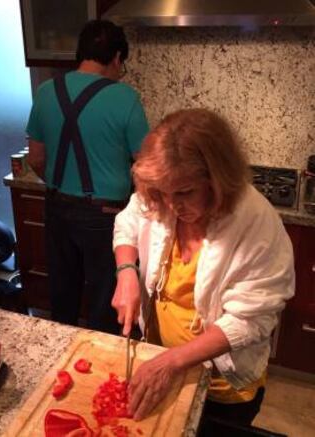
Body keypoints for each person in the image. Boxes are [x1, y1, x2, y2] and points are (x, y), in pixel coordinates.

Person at [112, 108, 295, 427]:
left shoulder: (257, 223)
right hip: (162, 361)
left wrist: (171, 362)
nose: (172, 205)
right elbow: (128, 221)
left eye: (184, 193)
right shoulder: (161, 194)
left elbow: (249, 319)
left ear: (218, 179)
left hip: (220, 386)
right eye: (163, 194)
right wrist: (126, 271)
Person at [26, 20, 149, 334]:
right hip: (105, 216)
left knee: (63, 293)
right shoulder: (125, 98)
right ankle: (100, 367)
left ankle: (61, 361)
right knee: (105, 300)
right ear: (117, 58)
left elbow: (36, 158)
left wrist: (62, 183)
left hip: (57, 207)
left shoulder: (45, 92)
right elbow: (147, 164)